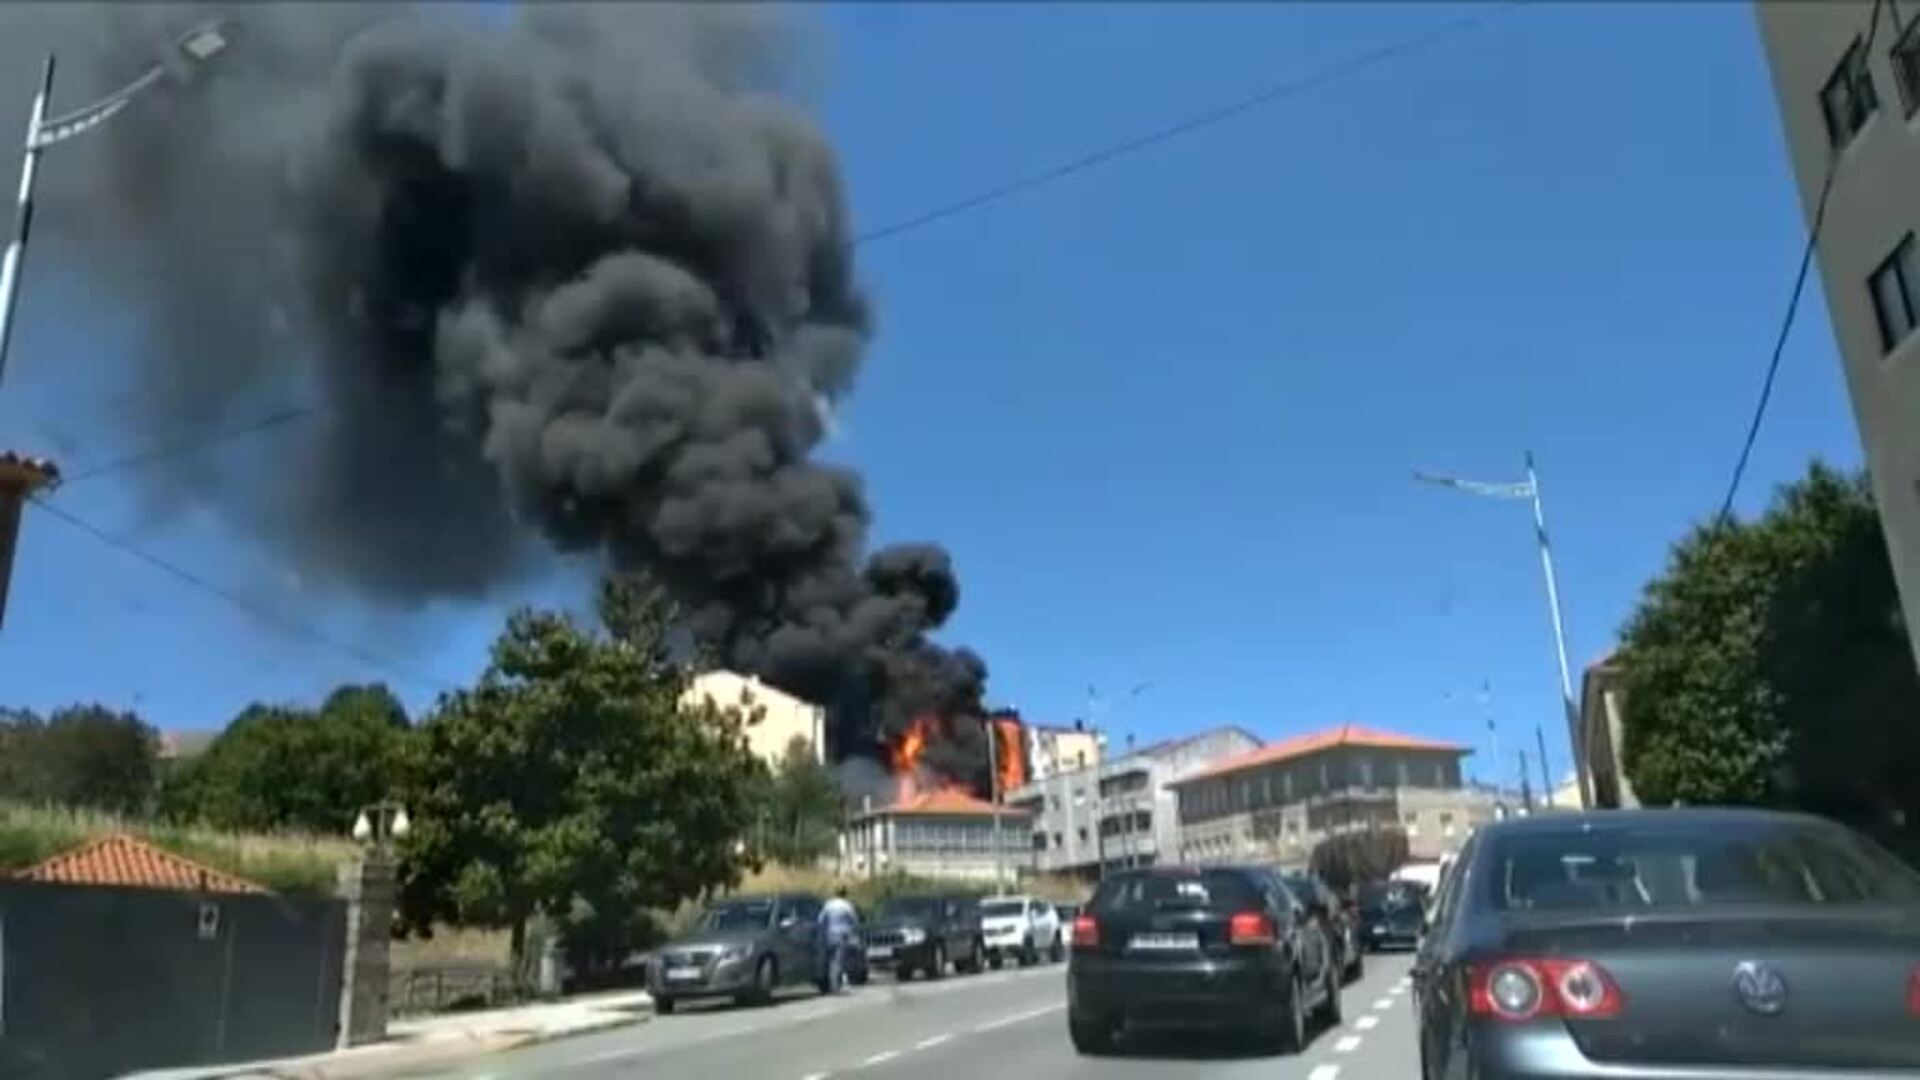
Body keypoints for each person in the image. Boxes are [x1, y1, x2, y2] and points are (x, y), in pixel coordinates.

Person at [819, 886, 858, 993]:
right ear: (845, 894)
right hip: (842, 936)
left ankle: (832, 984)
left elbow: (821, 919)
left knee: (831, 960)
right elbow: (854, 921)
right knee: (838, 961)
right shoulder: (847, 906)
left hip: (829, 934)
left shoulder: (828, 904)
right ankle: (835, 986)